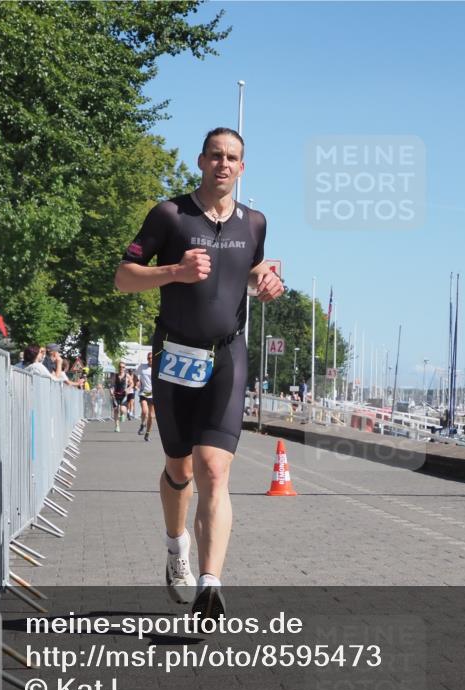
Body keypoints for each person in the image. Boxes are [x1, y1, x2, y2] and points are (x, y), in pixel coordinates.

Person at [114, 127, 284, 619]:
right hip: (173, 356)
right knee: (179, 467)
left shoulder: (255, 222)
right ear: (201, 161)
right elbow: (123, 277)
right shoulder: (170, 215)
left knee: (214, 468)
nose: (223, 165)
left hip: (227, 355)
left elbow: (248, 272)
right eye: (215, 156)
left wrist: (265, 282)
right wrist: (173, 272)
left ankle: (210, 584)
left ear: (243, 167)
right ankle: (175, 549)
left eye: (232, 158)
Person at [136, 351, 155, 441]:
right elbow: (136, 376)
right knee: (144, 411)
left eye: (151, 358)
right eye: (148, 358)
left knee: (151, 416)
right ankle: (142, 424)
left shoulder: (157, 368)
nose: (150, 360)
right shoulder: (142, 367)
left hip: (153, 394)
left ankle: (147, 433)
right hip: (143, 392)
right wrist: (137, 382)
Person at [111, 361, 128, 432]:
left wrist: (128, 389)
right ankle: (117, 426)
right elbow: (111, 385)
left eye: (123, 367)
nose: (121, 368)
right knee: (115, 410)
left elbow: (132, 383)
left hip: (123, 395)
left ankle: (123, 414)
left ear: (125, 368)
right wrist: (111, 390)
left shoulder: (127, 376)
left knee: (122, 409)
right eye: (120, 367)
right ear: (118, 368)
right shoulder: (115, 376)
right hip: (115, 395)